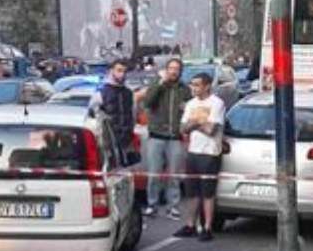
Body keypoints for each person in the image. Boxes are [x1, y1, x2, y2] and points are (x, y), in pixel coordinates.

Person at [175, 72, 225, 241]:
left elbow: (212, 130)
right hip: (193, 151)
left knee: (208, 192)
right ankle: (190, 225)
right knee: (191, 191)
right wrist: (199, 123)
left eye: (197, 85)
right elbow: (182, 128)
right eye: (192, 84)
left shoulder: (216, 103)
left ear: (207, 86)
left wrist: (194, 123)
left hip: (210, 152)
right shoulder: (191, 103)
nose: (193, 88)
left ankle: (207, 227)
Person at [140, 57, 191, 219]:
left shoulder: (184, 89)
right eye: (171, 68)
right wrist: (160, 84)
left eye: (177, 69)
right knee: (154, 174)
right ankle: (152, 205)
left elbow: (190, 109)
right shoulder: (157, 84)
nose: (173, 71)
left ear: (180, 71)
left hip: (175, 137)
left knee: (174, 175)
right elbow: (148, 102)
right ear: (166, 70)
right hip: (156, 136)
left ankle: (173, 206)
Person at [92, 60, 135, 162]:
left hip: (125, 142)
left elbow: (132, 115)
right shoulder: (102, 92)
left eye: (124, 71)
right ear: (111, 71)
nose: (122, 74)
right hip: (107, 143)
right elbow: (94, 116)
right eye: (119, 70)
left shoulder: (128, 93)